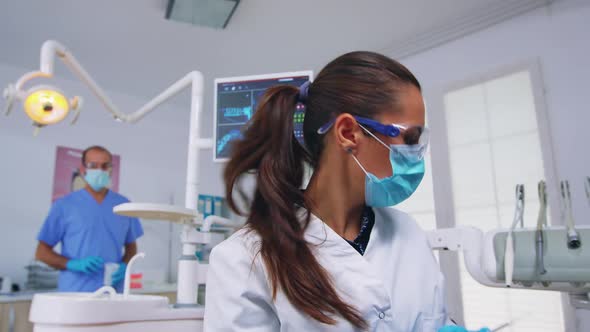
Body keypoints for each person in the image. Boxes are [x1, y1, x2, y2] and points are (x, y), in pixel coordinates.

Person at [204, 51, 485, 331]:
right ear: (349, 133)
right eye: (409, 138)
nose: (417, 154)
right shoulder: (244, 259)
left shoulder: (407, 232)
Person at [35, 146, 144, 293]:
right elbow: (42, 253)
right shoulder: (65, 205)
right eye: (93, 165)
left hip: (112, 292)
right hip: (75, 292)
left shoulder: (123, 205)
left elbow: (131, 247)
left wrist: (125, 266)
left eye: (105, 166)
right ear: (83, 169)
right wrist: (73, 264)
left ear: (111, 169)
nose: (99, 170)